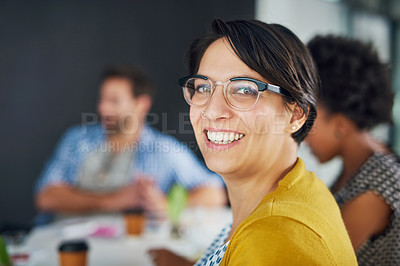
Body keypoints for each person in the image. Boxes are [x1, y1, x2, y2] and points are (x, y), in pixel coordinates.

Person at [149, 19, 357, 265]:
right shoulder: (296, 189)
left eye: (244, 90)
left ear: (296, 114)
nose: (213, 111)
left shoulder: (274, 237)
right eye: (203, 87)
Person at [34, 66, 226, 220]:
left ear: (141, 104)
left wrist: (165, 204)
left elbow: (215, 194)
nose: (102, 107)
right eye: (102, 99)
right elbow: (46, 197)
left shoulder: (163, 149)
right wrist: (113, 201)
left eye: (114, 101)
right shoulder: (76, 139)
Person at [306, 35, 400, 265]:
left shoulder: (378, 185)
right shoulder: (361, 165)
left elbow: (316, 259)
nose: (300, 130)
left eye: (308, 116)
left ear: (339, 125)